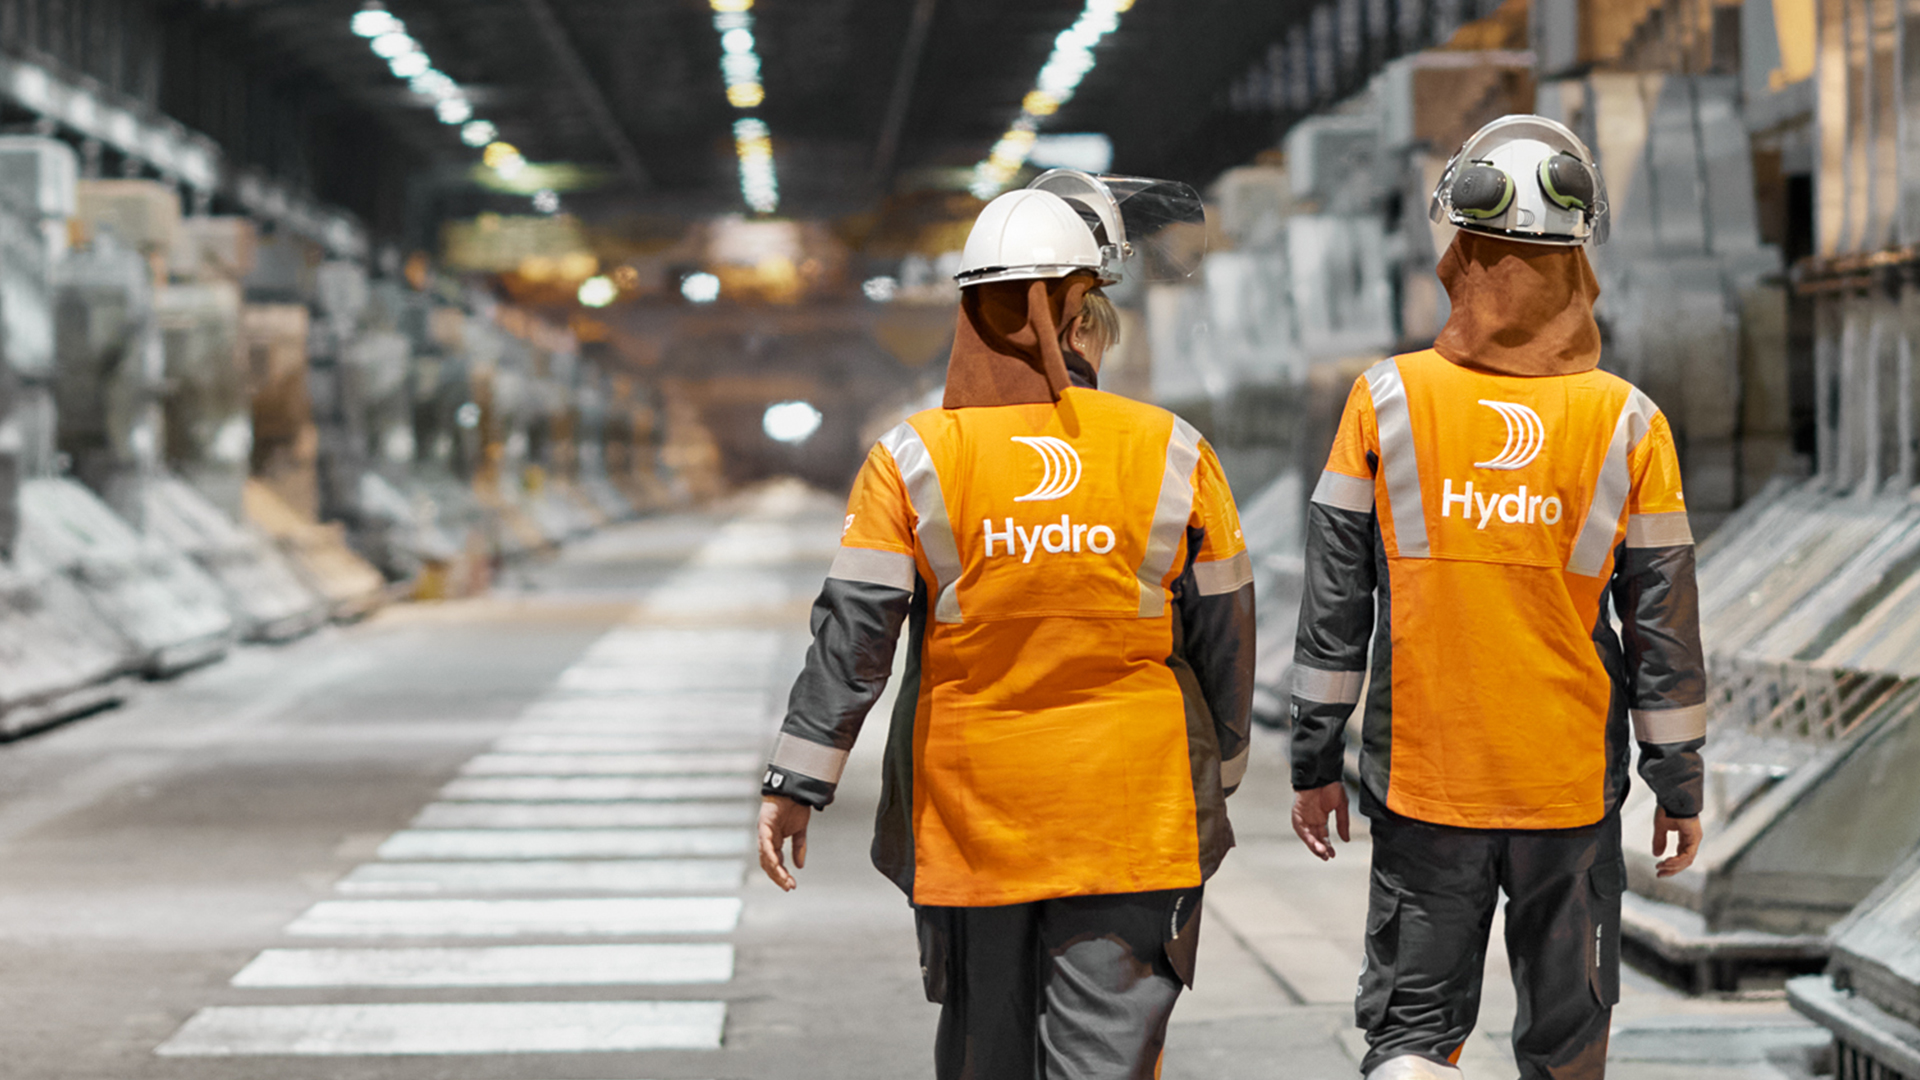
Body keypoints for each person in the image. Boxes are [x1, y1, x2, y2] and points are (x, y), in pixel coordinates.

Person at [757, 173, 1255, 1080]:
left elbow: (854, 637)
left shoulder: (915, 456)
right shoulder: (1171, 447)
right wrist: (1221, 770)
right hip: (1132, 813)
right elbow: (1225, 632)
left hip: (973, 818)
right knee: (1107, 1054)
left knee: (987, 1055)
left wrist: (799, 779)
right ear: (1077, 318)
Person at [1287, 115, 1707, 1080]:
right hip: (1567, 785)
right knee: (1566, 1045)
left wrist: (1315, 755)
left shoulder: (1386, 400)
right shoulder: (1627, 421)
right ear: (1580, 258)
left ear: (1458, 249)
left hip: (1427, 779)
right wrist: (1678, 777)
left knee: (1410, 1036)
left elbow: (1336, 608)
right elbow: (1660, 622)